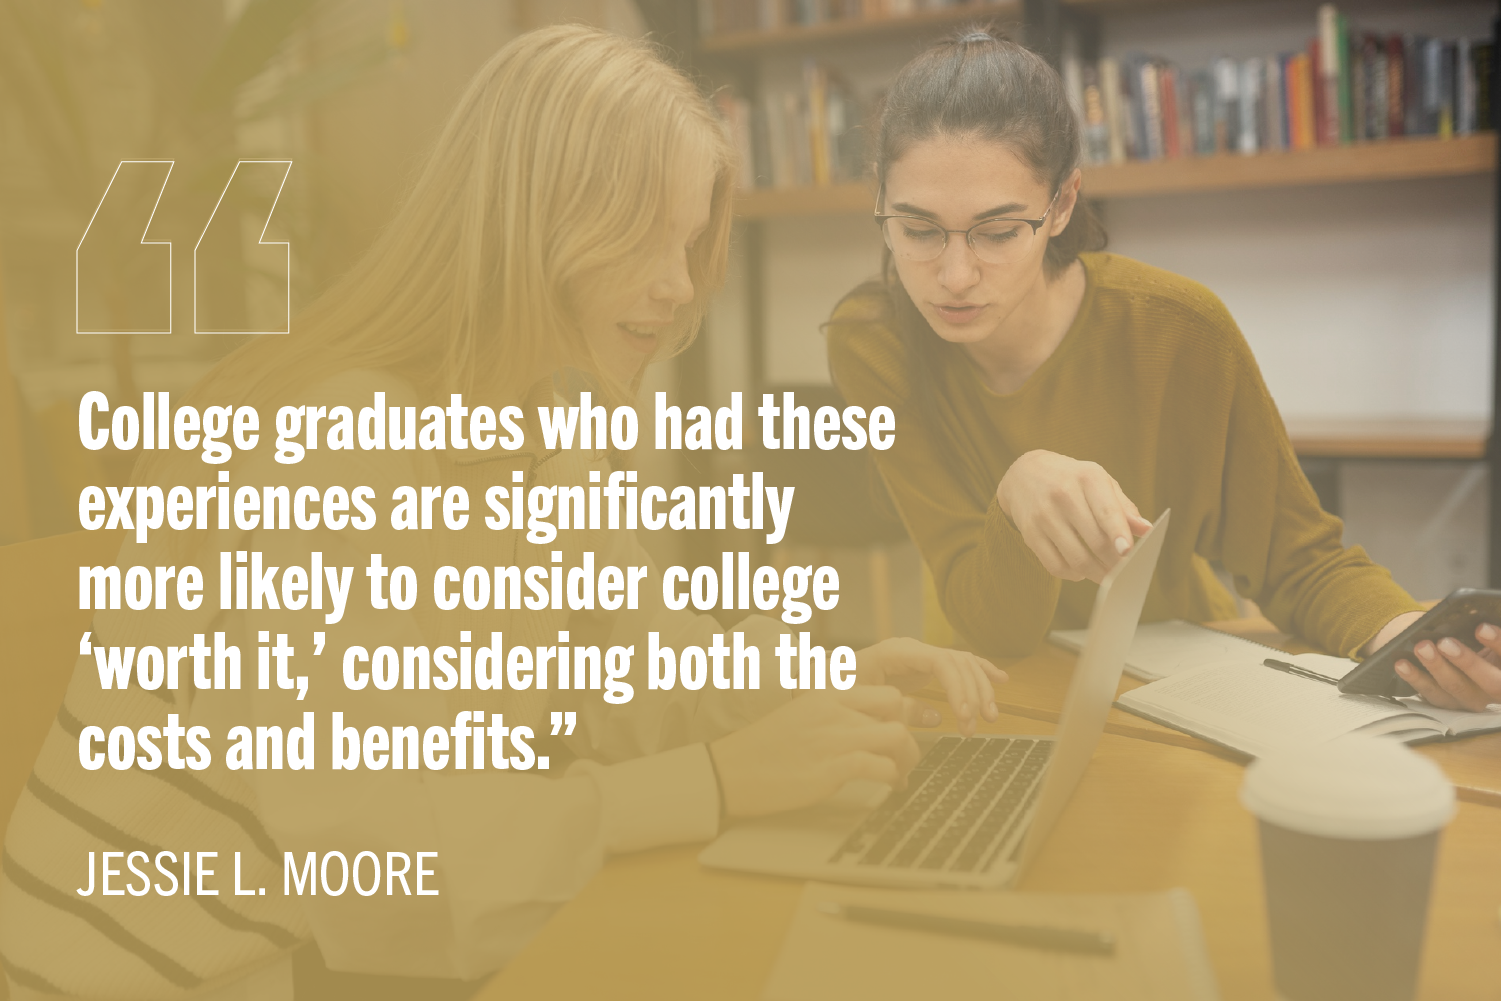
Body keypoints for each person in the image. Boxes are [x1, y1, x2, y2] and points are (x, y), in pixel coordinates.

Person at [0, 25, 1003, 1000]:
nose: (674, 284)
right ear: (524, 221)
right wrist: (716, 780)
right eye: (641, 236)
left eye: (689, 240)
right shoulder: (340, 440)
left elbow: (609, 676)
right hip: (187, 969)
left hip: (319, 941)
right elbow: (374, 869)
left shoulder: (540, 427)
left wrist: (810, 683)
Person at [826, 29, 1499, 711]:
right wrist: (1015, 496)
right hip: (1002, 692)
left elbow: (1298, 559)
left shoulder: (1177, 328)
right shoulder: (873, 343)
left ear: (1062, 204)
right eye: (917, 230)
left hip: (1184, 680)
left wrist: (1408, 641)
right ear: (879, 199)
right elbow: (992, 626)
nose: (953, 275)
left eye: (997, 232)